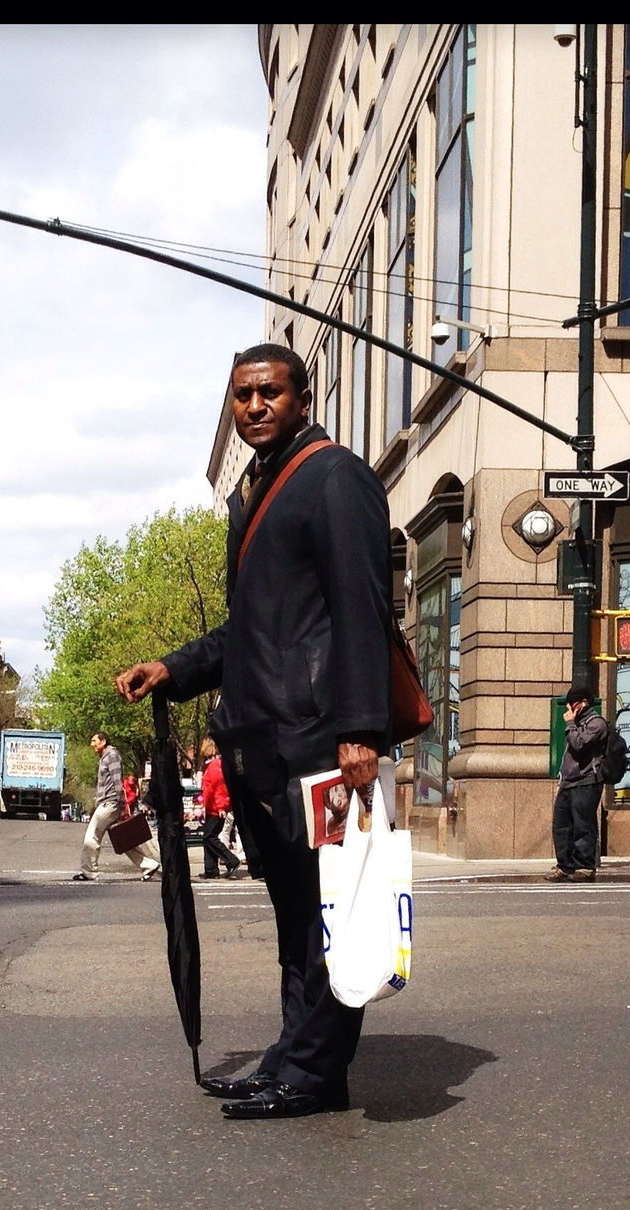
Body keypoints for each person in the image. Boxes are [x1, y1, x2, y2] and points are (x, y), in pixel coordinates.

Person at [115, 342, 392, 1120]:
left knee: (325, 913)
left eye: (270, 392)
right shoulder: (259, 487)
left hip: (317, 743)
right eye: (242, 396)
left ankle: (313, 1072)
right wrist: (172, 668)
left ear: (302, 399)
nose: (255, 406)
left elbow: (362, 609)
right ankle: (298, 1056)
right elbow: (252, 631)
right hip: (263, 745)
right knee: (296, 912)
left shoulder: (333, 476)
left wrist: (360, 730)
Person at [72, 731, 161, 882]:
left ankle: (89, 872)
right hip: (108, 803)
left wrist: (120, 805)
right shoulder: (104, 757)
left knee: (91, 836)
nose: (92, 744)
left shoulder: (112, 756)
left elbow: (117, 781)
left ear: (103, 741)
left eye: (94, 741)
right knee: (122, 839)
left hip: (110, 803)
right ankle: (149, 865)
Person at [548, 682, 608, 882]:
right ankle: (565, 865)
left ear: (584, 702)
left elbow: (579, 745)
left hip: (586, 781)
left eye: (573, 703)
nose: (569, 708)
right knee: (561, 825)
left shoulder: (596, 724)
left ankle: (585, 866)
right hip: (568, 781)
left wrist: (571, 724)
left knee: (583, 825)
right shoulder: (576, 724)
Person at [198, 737, 240, 879]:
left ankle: (231, 860)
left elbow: (219, 787)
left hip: (216, 809)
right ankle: (211, 870)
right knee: (208, 837)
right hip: (212, 807)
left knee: (209, 837)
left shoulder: (215, 766)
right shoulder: (213, 765)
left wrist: (221, 806)